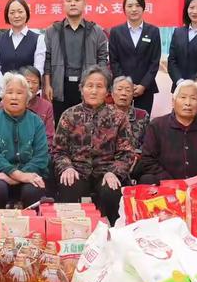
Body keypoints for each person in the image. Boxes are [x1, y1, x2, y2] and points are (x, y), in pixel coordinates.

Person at [52, 66, 135, 225]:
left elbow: (126, 153)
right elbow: (58, 151)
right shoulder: (69, 115)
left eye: (99, 86)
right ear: (81, 89)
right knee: (68, 184)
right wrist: (66, 167)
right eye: (89, 86)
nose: (94, 91)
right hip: (77, 170)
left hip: (106, 171)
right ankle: (71, 233)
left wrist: (114, 172)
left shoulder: (118, 117)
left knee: (111, 190)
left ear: (107, 91)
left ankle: (112, 234)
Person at [0, 72, 49, 209]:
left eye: (19, 93)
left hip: (30, 175)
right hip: (0, 175)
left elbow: (41, 157)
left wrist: (17, 177)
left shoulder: (36, 122)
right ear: (3, 96)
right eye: (9, 92)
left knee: (33, 190)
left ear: (27, 98)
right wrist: (19, 175)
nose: (14, 97)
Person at [139, 80, 197, 185]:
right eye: (183, 97)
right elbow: (147, 159)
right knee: (147, 180)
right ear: (173, 102)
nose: (188, 103)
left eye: (193, 98)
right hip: (166, 185)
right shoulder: (157, 126)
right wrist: (171, 182)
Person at [44, 0, 108, 126]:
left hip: (87, 86)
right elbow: (47, 59)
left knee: (88, 127)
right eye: (69, 0)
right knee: (62, 126)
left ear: (84, 4)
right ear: (63, 4)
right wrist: (47, 85)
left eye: (77, 0)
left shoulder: (96, 31)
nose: (73, 3)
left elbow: (103, 59)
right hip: (60, 85)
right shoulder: (52, 31)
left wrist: (100, 83)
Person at [108, 0, 161, 115]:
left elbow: (154, 62)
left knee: (142, 124)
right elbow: (114, 61)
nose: (134, 9)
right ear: (124, 9)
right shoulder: (116, 32)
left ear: (143, 8)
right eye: (130, 6)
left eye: (137, 5)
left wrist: (143, 85)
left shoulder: (153, 31)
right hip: (122, 90)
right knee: (120, 124)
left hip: (145, 89)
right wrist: (125, 85)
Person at [0, 0, 46, 109]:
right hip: (4, 95)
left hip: (30, 96)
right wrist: (7, 88)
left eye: (20, 11)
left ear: (27, 13)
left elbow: (38, 69)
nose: (16, 16)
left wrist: (24, 89)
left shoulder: (38, 39)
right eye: (12, 12)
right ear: (7, 15)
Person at [111, 76, 149, 153]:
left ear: (132, 95)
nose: (123, 93)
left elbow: (148, 143)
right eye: (119, 89)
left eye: (128, 90)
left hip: (135, 158)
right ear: (112, 94)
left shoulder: (142, 115)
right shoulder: (103, 115)